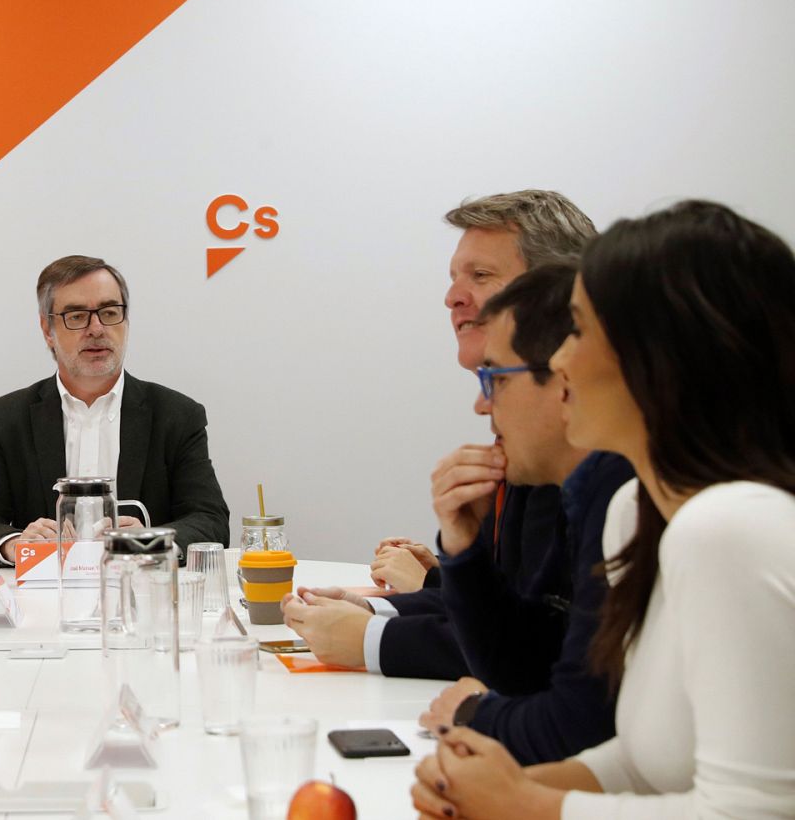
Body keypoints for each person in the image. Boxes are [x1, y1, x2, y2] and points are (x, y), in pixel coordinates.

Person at [412, 201, 795, 818]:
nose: (560, 360)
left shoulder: (729, 530)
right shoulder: (635, 512)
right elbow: (644, 759)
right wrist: (501, 788)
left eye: (580, 332)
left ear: (658, 359)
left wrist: (528, 807)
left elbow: (756, 812)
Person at [287, 192, 597, 679]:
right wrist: (397, 601)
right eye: (453, 277)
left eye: (480, 275)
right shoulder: (530, 441)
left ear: (553, 293)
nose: (453, 297)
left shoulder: (590, 456)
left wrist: (371, 638)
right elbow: (518, 620)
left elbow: (548, 653)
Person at [416, 264, 633, 763]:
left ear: (566, 376)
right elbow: (531, 666)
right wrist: (463, 548)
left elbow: (583, 723)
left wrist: (474, 716)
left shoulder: (622, 491)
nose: (479, 404)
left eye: (493, 377)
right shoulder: (587, 487)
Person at [0, 255, 229, 567]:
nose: (96, 329)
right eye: (77, 316)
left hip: (142, 596)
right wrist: (17, 545)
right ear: (47, 330)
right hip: (41, 599)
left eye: (110, 312)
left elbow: (211, 520)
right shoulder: (5, 417)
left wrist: (150, 541)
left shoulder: (177, 414)